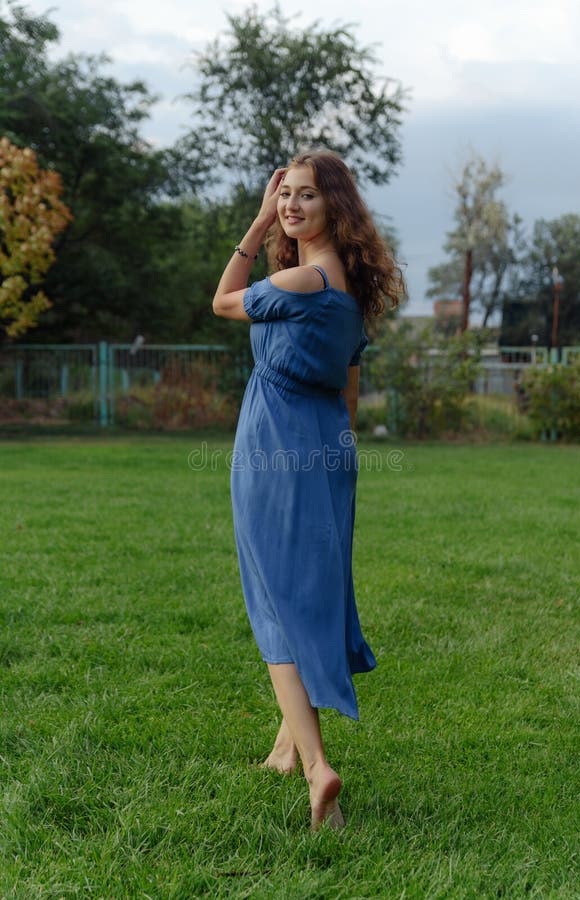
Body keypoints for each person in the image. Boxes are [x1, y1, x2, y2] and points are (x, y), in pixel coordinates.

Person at [213, 149, 403, 830]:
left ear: (334, 209)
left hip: (273, 446)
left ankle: (319, 767)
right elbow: (349, 390)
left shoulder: (298, 279)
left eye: (304, 198)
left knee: (274, 600)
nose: (292, 206)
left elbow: (220, 300)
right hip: (327, 449)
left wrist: (257, 219)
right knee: (307, 593)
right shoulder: (348, 290)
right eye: (284, 196)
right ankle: (287, 747)